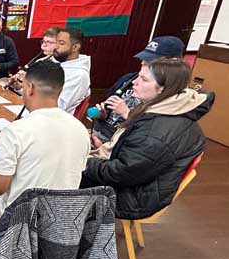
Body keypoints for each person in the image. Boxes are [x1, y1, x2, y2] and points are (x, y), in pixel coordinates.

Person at [82, 58, 213, 220]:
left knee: (59, 177)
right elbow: (135, 159)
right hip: (135, 182)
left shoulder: (158, 131)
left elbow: (120, 173)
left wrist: (83, 161)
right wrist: (107, 147)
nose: (134, 83)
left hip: (134, 197)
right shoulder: (166, 108)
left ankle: (64, 237)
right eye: (138, 77)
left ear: (164, 89)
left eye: (143, 80)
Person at [0, 60, 90, 223]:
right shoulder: (81, 130)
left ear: (29, 88)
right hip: (60, 222)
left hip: (18, 222)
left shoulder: (15, 131)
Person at [92, 36, 185, 143]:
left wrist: (127, 113)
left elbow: (151, 136)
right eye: (143, 61)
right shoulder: (128, 79)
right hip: (101, 133)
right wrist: (103, 114)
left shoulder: (172, 98)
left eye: (150, 63)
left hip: (122, 143)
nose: (143, 65)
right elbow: (108, 108)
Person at [4, 27, 59, 93]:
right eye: (43, 42)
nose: (44, 45)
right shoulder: (39, 62)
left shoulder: (62, 67)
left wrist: (30, 80)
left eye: (49, 42)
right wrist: (18, 87)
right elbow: (31, 94)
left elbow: (49, 95)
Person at [53, 27, 91, 115]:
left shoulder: (79, 75)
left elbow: (59, 107)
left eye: (61, 43)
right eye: (56, 42)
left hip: (55, 121)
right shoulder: (58, 64)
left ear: (75, 47)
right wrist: (22, 87)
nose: (56, 46)